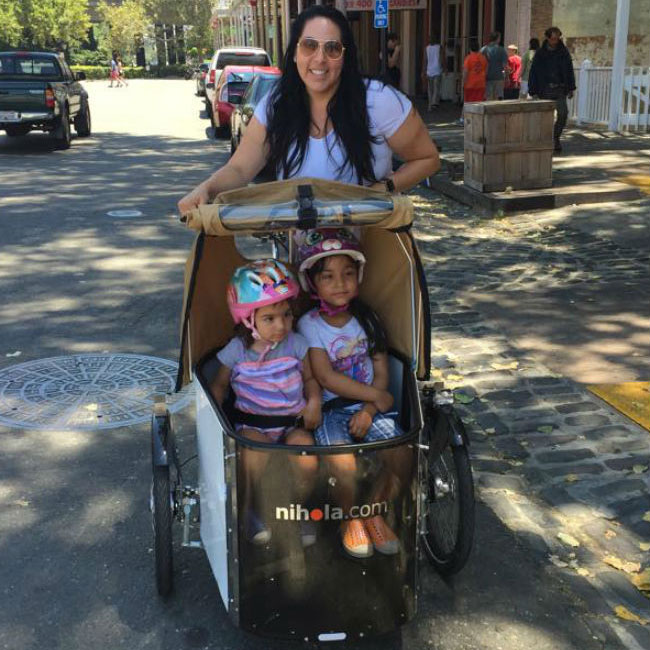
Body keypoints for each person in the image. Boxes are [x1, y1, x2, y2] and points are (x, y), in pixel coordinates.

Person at [177, 5, 439, 215]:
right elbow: (240, 169)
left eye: (333, 48)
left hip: (374, 247)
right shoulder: (276, 104)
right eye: (309, 45)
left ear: (345, 56)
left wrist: (385, 187)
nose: (320, 58)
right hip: (303, 253)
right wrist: (206, 188)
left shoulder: (379, 100)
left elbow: (427, 158)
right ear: (294, 53)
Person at [296, 228, 408, 559]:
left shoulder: (368, 318)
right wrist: (375, 398)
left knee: (402, 454)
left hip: (370, 407)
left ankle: (372, 511)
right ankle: (350, 516)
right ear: (313, 284)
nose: (340, 283)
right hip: (332, 410)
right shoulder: (309, 324)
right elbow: (326, 376)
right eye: (328, 276)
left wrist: (371, 409)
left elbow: (381, 367)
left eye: (347, 274)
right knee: (342, 465)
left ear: (358, 276)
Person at [211, 259, 321, 545]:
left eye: (286, 315)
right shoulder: (237, 350)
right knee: (251, 454)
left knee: (307, 456)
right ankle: (252, 508)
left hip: (290, 425)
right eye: (269, 319)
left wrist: (314, 401)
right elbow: (220, 384)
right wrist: (215, 411)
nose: (281, 325)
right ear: (249, 320)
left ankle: (296, 508)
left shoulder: (296, 344)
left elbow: (309, 379)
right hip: (253, 426)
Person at [528, 26, 575, 153]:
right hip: (545, 89)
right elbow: (533, 72)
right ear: (548, 38)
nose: (555, 41)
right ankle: (545, 140)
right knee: (545, 118)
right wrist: (533, 91)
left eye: (557, 38)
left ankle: (555, 137)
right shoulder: (540, 53)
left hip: (560, 89)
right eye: (553, 39)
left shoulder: (563, 52)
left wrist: (571, 87)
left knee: (563, 114)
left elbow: (569, 69)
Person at [480, 32, 509, 100]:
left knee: (488, 98)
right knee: (498, 99)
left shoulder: (483, 49)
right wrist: (507, 77)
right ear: (497, 39)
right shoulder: (501, 50)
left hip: (487, 78)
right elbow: (505, 65)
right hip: (498, 77)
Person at [462, 38, 488, 105]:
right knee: (479, 103)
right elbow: (486, 70)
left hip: (470, 84)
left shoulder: (468, 58)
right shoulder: (483, 58)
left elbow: (465, 72)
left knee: (469, 104)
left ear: (470, 48)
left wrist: (463, 82)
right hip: (481, 84)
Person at [423, 36, 443, 110]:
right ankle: (434, 103)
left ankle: (430, 104)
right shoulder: (439, 47)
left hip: (429, 70)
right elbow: (442, 58)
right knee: (436, 87)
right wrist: (445, 67)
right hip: (437, 70)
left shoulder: (427, 48)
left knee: (430, 89)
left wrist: (423, 71)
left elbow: (425, 60)